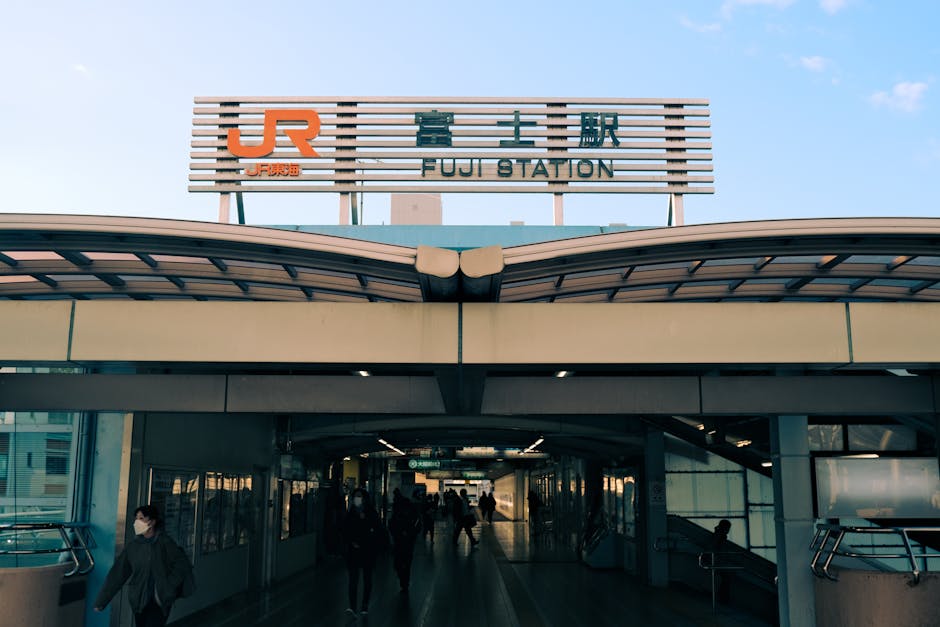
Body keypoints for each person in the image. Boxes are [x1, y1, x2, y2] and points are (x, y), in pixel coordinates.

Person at [93, 504, 193, 627]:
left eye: (141, 518)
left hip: (160, 600)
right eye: (136, 518)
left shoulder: (165, 543)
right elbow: (117, 574)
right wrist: (101, 601)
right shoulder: (133, 547)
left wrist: (169, 585)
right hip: (139, 600)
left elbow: (182, 565)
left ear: (152, 522)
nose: (136, 522)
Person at [341, 488, 383, 616]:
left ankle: (364, 605)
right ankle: (352, 606)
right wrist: (350, 541)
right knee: (353, 579)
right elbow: (345, 529)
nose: (357, 499)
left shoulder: (371, 513)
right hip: (353, 550)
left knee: (367, 579)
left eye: (359, 496)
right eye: (355, 496)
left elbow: (377, 530)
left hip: (367, 550)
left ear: (364, 498)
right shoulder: (351, 513)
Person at [389, 489, 421, 591]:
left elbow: (392, 524)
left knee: (399, 561)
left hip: (400, 539)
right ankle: (405, 582)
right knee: (406, 562)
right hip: (408, 540)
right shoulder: (410, 508)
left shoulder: (398, 509)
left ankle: (403, 579)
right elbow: (417, 523)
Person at [709, 519, 733, 603]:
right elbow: (716, 548)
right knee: (725, 579)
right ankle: (723, 598)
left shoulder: (718, 535)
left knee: (724, 579)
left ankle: (722, 598)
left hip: (718, 561)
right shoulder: (720, 536)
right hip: (719, 561)